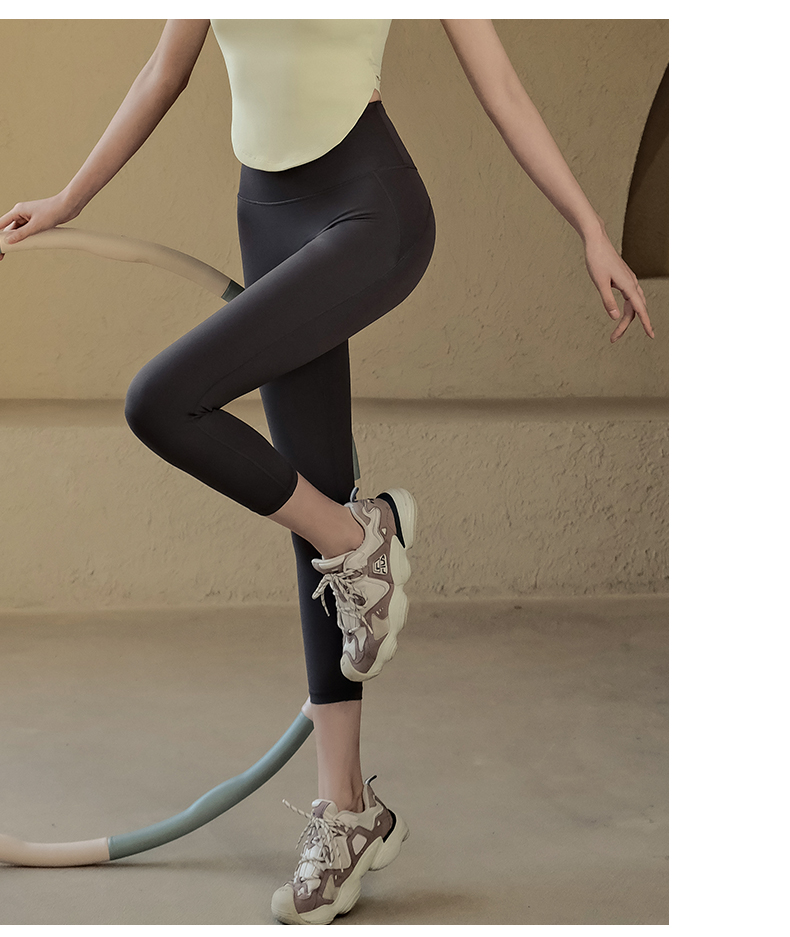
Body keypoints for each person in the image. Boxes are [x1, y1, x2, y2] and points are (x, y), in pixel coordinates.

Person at [0, 19, 655, 925]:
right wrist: (69, 198)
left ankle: (361, 537)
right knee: (307, 499)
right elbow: (163, 71)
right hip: (266, 216)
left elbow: (500, 85)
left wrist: (591, 228)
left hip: (370, 210)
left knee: (163, 400)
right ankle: (348, 807)